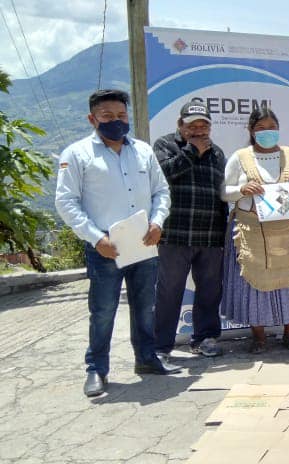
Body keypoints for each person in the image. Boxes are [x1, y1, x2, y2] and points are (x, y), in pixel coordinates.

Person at [55, 89, 180, 397]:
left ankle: (147, 359)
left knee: (145, 307)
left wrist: (157, 222)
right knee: (103, 310)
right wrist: (96, 238)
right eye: (108, 117)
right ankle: (96, 370)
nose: (116, 122)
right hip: (105, 248)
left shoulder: (143, 151)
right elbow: (66, 202)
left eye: (121, 116)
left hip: (143, 244)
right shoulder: (78, 154)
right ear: (92, 118)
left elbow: (160, 192)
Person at [221, 107, 289, 354]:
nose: (267, 132)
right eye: (261, 128)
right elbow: (224, 192)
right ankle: (259, 337)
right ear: (251, 131)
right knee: (255, 281)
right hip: (253, 231)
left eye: (271, 127)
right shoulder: (240, 157)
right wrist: (242, 189)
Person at [151, 101, 228, 359]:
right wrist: (192, 152)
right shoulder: (164, 145)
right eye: (191, 125)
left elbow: (221, 194)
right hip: (174, 235)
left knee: (209, 291)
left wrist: (223, 234)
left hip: (210, 236)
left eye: (203, 125)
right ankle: (161, 346)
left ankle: (205, 339)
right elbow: (161, 176)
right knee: (169, 292)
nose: (198, 130)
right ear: (179, 125)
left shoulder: (217, 152)